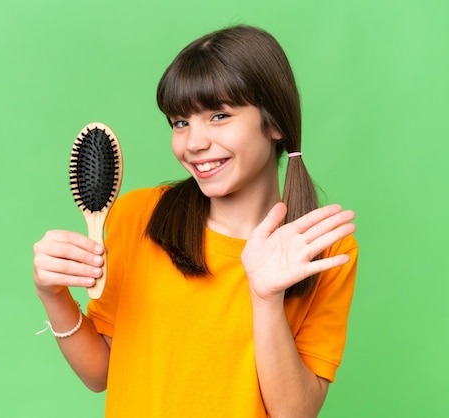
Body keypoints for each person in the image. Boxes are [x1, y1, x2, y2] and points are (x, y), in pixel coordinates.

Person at [33, 25, 358, 417]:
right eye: (180, 122)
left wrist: (266, 299)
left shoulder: (322, 248)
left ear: (275, 124)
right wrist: (53, 296)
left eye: (219, 115)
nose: (193, 143)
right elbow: (100, 371)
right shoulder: (138, 216)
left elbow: (294, 413)